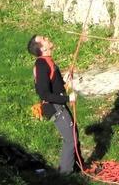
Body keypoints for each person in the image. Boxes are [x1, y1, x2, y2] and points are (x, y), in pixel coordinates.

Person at [27, 34, 78, 175]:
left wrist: (64, 80)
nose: (48, 38)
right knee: (70, 139)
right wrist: (68, 98)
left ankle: (78, 167)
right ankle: (65, 174)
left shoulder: (47, 61)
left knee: (74, 134)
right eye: (44, 39)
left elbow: (54, 85)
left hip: (58, 104)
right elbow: (44, 94)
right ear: (42, 48)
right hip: (55, 107)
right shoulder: (41, 64)